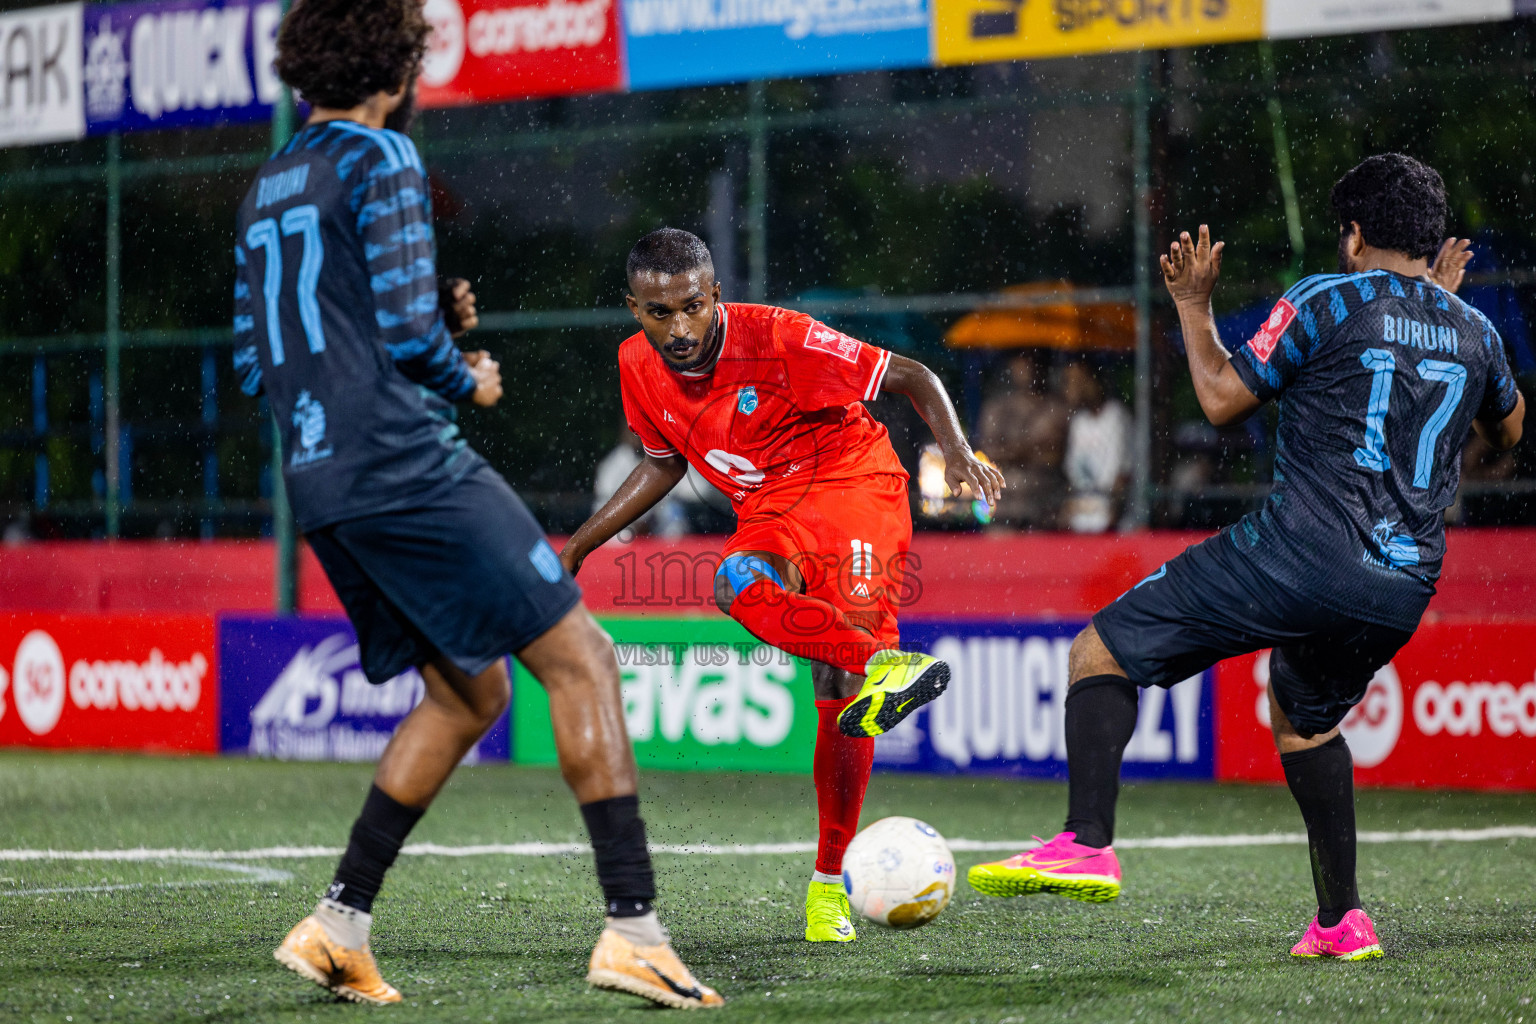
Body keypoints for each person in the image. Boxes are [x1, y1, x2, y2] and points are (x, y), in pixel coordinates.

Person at [234, 1, 719, 1008]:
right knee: (582, 658)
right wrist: (468, 376)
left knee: (470, 694)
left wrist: (406, 332)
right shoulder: (381, 155)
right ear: (396, 67)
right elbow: (412, 341)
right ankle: (634, 930)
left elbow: (260, 358)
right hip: (403, 465)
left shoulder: (267, 184)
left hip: (320, 480)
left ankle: (338, 925)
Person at [967, 154, 1524, 960]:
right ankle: (1341, 922)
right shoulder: (1474, 328)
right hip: (1403, 584)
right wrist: (1438, 311)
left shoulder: (1324, 298)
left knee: (1100, 651)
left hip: (1302, 555)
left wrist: (1193, 305)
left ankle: (1086, 841)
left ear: (1355, 234)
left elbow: (1223, 399)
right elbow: (1508, 430)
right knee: (1305, 720)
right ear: (1431, 241)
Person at [560, 228, 1002, 943]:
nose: (680, 328)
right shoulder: (635, 363)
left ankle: (828, 885)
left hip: (853, 484)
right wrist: (580, 544)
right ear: (634, 309)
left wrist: (955, 452)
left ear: (715, 294)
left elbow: (915, 375)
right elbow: (662, 462)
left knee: (836, 684)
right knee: (733, 584)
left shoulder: (780, 338)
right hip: (769, 506)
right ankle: (884, 664)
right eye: (659, 312)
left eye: (693, 306)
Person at [976, 351, 1071, 528]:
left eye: (1033, 360)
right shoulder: (998, 409)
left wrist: (1013, 450)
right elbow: (989, 452)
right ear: (1011, 365)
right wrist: (1033, 448)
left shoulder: (1058, 409)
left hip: (1046, 507)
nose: (1028, 367)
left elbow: (1055, 456)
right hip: (1007, 506)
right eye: (1021, 360)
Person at [1060, 360, 1130, 533]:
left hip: (1116, 520)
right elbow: (1073, 474)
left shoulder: (1116, 416)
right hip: (1082, 515)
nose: (1071, 389)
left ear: (1093, 381)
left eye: (1077, 381)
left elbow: (1123, 475)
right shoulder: (1078, 422)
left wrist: (1111, 510)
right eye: (1068, 382)